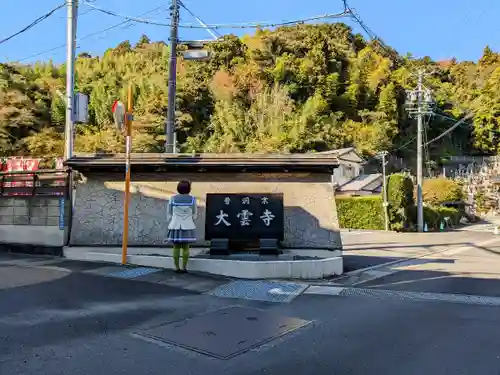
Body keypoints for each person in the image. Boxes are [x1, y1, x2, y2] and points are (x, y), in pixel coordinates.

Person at [167, 180, 197, 273]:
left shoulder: (172, 198)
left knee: (176, 247)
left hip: (175, 225)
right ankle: (184, 268)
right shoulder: (192, 199)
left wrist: (172, 220)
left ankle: (176, 268)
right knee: (186, 247)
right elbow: (194, 213)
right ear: (189, 189)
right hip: (187, 225)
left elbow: (169, 213)